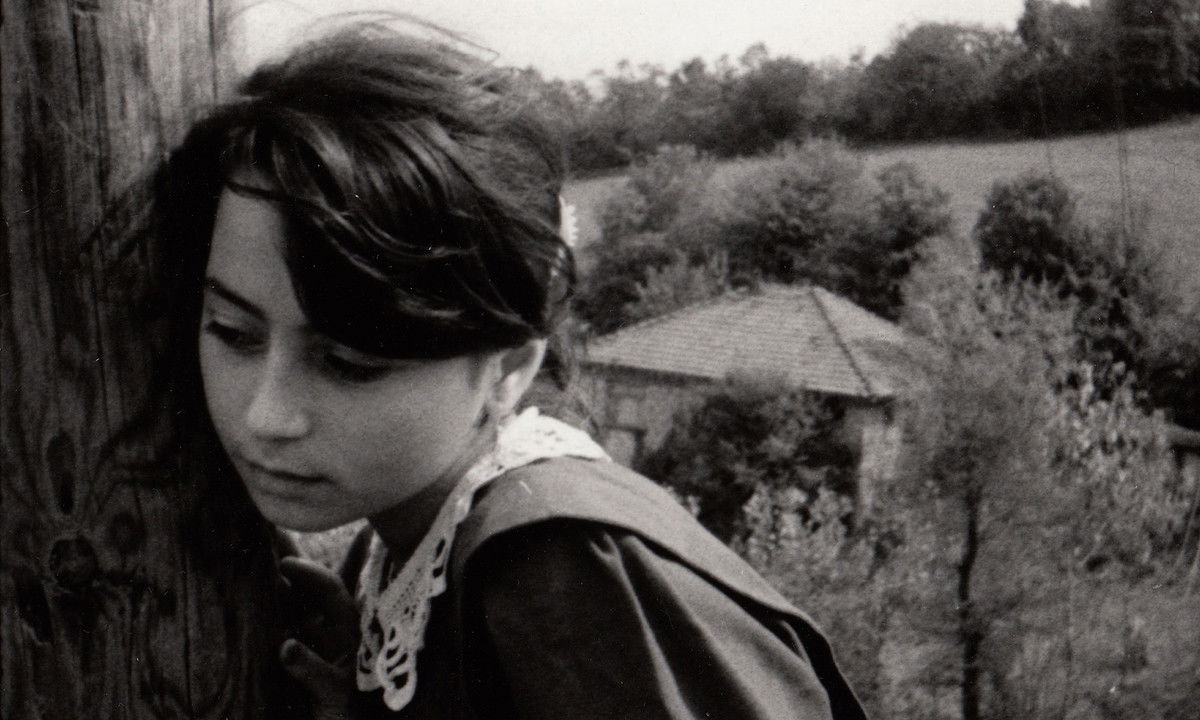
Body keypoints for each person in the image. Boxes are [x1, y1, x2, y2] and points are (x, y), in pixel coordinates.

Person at [159, 19, 868, 720]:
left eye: (349, 362)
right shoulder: (399, 550)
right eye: (233, 332)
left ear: (509, 367)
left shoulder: (561, 561)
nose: (266, 416)